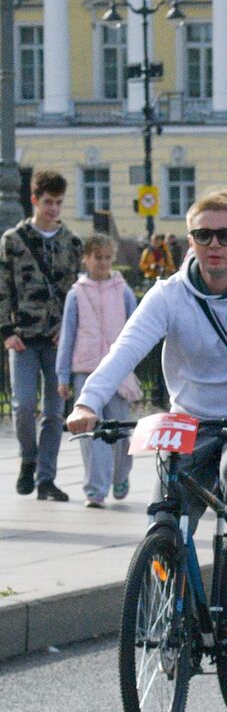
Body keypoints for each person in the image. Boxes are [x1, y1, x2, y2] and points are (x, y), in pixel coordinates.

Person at [66, 190, 227, 626]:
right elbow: (125, 349)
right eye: (203, 235)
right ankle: (170, 605)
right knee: (164, 517)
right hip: (189, 421)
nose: (214, 244)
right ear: (189, 241)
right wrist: (88, 402)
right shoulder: (169, 295)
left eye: (225, 235)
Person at [1, 169, 82, 501]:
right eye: (48, 202)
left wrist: (69, 329)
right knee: (22, 405)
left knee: (55, 411)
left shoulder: (71, 243)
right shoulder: (13, 241)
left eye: (59, 203)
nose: (53, 209)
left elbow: (76, 292)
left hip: (56, 338)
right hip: (22, 335)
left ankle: (46, 478)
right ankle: (28, 458)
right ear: (34, 200)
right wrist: (6, 330)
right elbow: (2, 287)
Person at [56, 234, 139, 508]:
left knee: (120, 430)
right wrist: (63, 375)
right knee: (92, 434)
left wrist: (132, 366)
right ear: (86, 259)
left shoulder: (123, 291)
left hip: (117, 370)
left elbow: (137, 330)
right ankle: (95, 489)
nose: (102, 263)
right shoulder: (76, 293)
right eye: (97, 257)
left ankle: (121, 475)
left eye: (107, 258)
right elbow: (67, 335)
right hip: (86, 368)